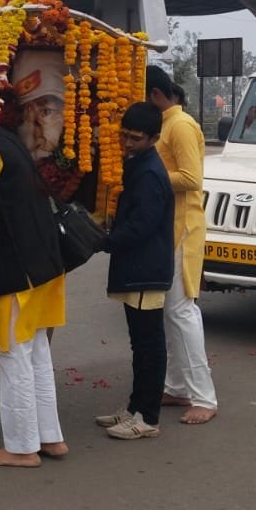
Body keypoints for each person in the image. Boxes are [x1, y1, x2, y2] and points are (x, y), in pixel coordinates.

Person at [0, 96, 68, 468]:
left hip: (16, 271)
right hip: (43, 265)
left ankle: (22, 448)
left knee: (14, 355)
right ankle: (50, 438)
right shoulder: (10, 143)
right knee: (37, 352)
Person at [96, 101, 174, 440]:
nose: (127, 143)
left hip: (147, 267)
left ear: (154, 138)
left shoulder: (151, 174)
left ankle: (147, 417)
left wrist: (105, 241)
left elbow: (142, 226)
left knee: (148, 344)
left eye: (136, 139)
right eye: (124, 136)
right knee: (138, 343)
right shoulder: (137, 164)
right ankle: (133, 408)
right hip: (138, 265)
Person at [146, 67, 218, 425]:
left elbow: (191, 178)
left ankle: (203, 396)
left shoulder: (181, 125)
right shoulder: (167, 125)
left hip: (184, 227)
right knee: (171, 310)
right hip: (167, 227)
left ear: (157, 95)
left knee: (182, 310)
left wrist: (147, 176)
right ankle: (177, 386)